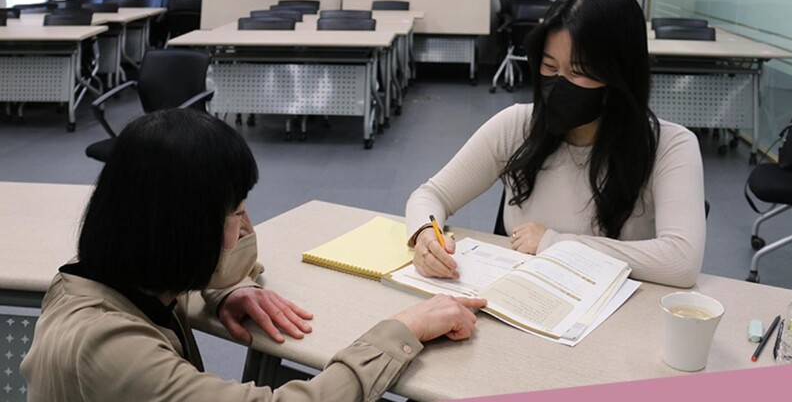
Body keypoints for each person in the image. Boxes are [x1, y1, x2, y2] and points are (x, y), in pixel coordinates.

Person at [21, 109, 486, 401]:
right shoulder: (112, 350)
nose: (247, 228)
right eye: (236, 214)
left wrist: (229, 289)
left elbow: (221, 265)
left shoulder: (114, 274)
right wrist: (404, 329)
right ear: (179, 231)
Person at [406, 0, 705, 288]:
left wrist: (556, 244)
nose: (560, 83)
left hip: (614, 316)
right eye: (550, 67)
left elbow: (680, 261)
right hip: (522, 303)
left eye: (578, 72)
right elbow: (431, 195)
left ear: (620, 75)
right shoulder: (517, 126)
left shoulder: (669, 146)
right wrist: (426, 234)